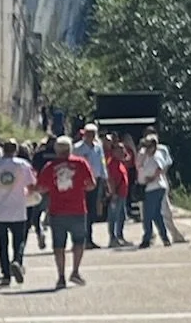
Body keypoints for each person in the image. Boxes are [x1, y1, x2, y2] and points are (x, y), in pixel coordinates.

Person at [38, 135, 95, 287]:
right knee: (79, 241)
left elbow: (41, 187)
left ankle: (61, 276)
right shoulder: (81, 163)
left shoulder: (50, 167)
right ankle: (75, 271)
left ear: (56, 150)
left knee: (59, 245)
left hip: (57, 210)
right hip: (77, 208)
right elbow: (91, 184)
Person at [0, 140, 36, 287]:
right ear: (16, 150)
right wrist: (28, 195)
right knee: (19, 240)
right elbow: (32, 186)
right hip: (18, 209)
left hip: (0, 210)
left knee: (3, 243)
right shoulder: (22, 165)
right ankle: (17, 261)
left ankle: (6, 274)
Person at [72, 121, 107, 248]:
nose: (91, 136)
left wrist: (104, 179)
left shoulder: (98, 147)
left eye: (93, 134)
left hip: (96, 180)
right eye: (89, 134)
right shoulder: (77, 148)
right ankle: (81, 238)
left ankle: (89, 238)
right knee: (81, 210)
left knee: (92, 210)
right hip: (82, 182)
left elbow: (102, 163)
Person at [137, 132, 173, 247]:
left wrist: (151, 178)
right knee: (157, 214)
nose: (146, 148)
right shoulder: (146, 155)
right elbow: (139, 165)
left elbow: (160, 168)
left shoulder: (156, 155)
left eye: (148, 145)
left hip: (155, 187)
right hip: (149, 188)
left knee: (148, 214)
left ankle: (147, 238)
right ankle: (165, 237)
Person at [104, 137, 130, 246]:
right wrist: (113, 193)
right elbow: (111, 180)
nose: (122, 152)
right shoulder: (112, 163)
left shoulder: (120, 162)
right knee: (113, 216)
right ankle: (113, 238)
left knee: (122, 216)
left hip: (123, 194)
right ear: (114, 151)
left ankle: (120, 236)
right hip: (116, 194)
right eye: (120, 150)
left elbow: (128, 158)